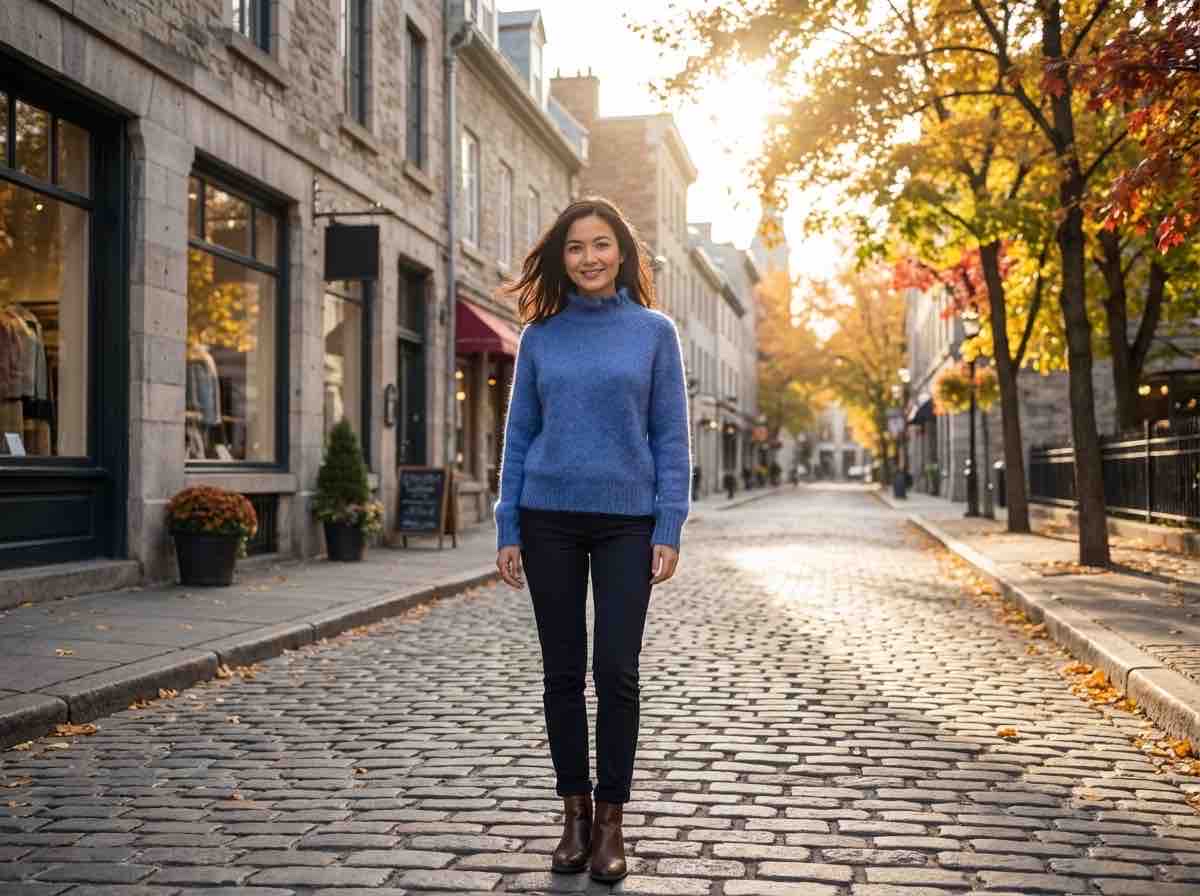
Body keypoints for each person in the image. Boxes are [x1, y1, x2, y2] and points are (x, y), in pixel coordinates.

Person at [493, 197, 691, 883]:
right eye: (576, 247)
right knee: (561, 673)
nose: (589, 259)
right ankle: (573, 812)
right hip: (547, 514)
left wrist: (670, 522)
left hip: (626, 522)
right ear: (562, 256)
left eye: (602, 245)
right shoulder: (540, 337)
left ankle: (612, 820)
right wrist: (507, 523)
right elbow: (518, 435)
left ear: (623, 253)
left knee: (617, 669)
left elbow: (671, 436)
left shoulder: (654, 332)